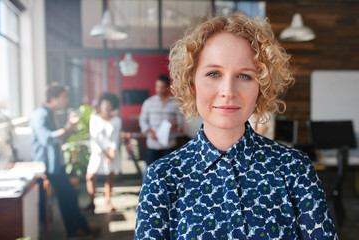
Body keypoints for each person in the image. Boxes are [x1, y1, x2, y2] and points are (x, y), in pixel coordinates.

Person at [135, 12, 338, 239]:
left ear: (262, 86)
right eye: (213, 73)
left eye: (244, 76)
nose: (228, 92)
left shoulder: (294, 169)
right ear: (192, 84)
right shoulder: (163, 178)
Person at [29, 82, 99, 238]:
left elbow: (58, 137)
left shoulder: (51, 112)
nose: (66, 100)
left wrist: (68, 127)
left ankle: (76, 228)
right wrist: (67, 128)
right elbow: (47, 138)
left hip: (56, 165)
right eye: (63, 97)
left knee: (68, 196)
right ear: (53, 98)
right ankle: (77, 228)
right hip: (47, 166)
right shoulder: (40, 114)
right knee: (68, 195)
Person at [85, 92, 121, 212]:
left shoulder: (116, 120)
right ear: (100, 105)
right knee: (90, 176)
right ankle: (92, 202)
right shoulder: (94, 118)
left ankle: (108, 201)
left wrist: (112, 152)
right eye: (104, 104)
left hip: (111, 153)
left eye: (109, 105)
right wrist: (104, 153)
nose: (106, 107)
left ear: (113, 106)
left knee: (109, 176)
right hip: (97, 152)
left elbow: (115, 138)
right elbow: (93, 137)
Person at [139, 74, 185, 167]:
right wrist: (150, 132)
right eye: (157, 87)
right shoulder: (148, 102)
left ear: (167, 87)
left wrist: (175, 125)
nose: (159, 89)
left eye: (162, 87)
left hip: (169, 145)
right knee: (149, 169)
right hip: (153, 144)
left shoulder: (175, 103)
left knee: (168, 171)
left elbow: (181, 120)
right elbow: (142, 120)